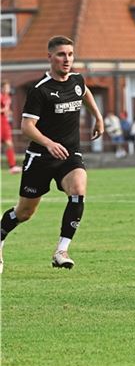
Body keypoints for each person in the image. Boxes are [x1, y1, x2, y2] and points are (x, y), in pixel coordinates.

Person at [0, 35, 104, 273]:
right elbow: (27, 126)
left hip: (69, 155)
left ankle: (61, 251)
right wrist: (48, 143)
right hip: (40, 158)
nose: (66, 59)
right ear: (50, 57)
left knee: (78, 190)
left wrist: (97, 116)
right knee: (24, 213)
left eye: (70, 54)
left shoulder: (77, 80)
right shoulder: (40, 90)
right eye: (61, 55)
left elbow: (84, 92)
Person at [1, 80, 22, 174]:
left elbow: (6, 110)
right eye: (6, 87)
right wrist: (3, 110)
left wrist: (8, 112)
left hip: (5, 123)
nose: (7, 89)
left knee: (9, 144)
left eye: (8, 87)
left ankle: (12, 166)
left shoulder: (8, 97)